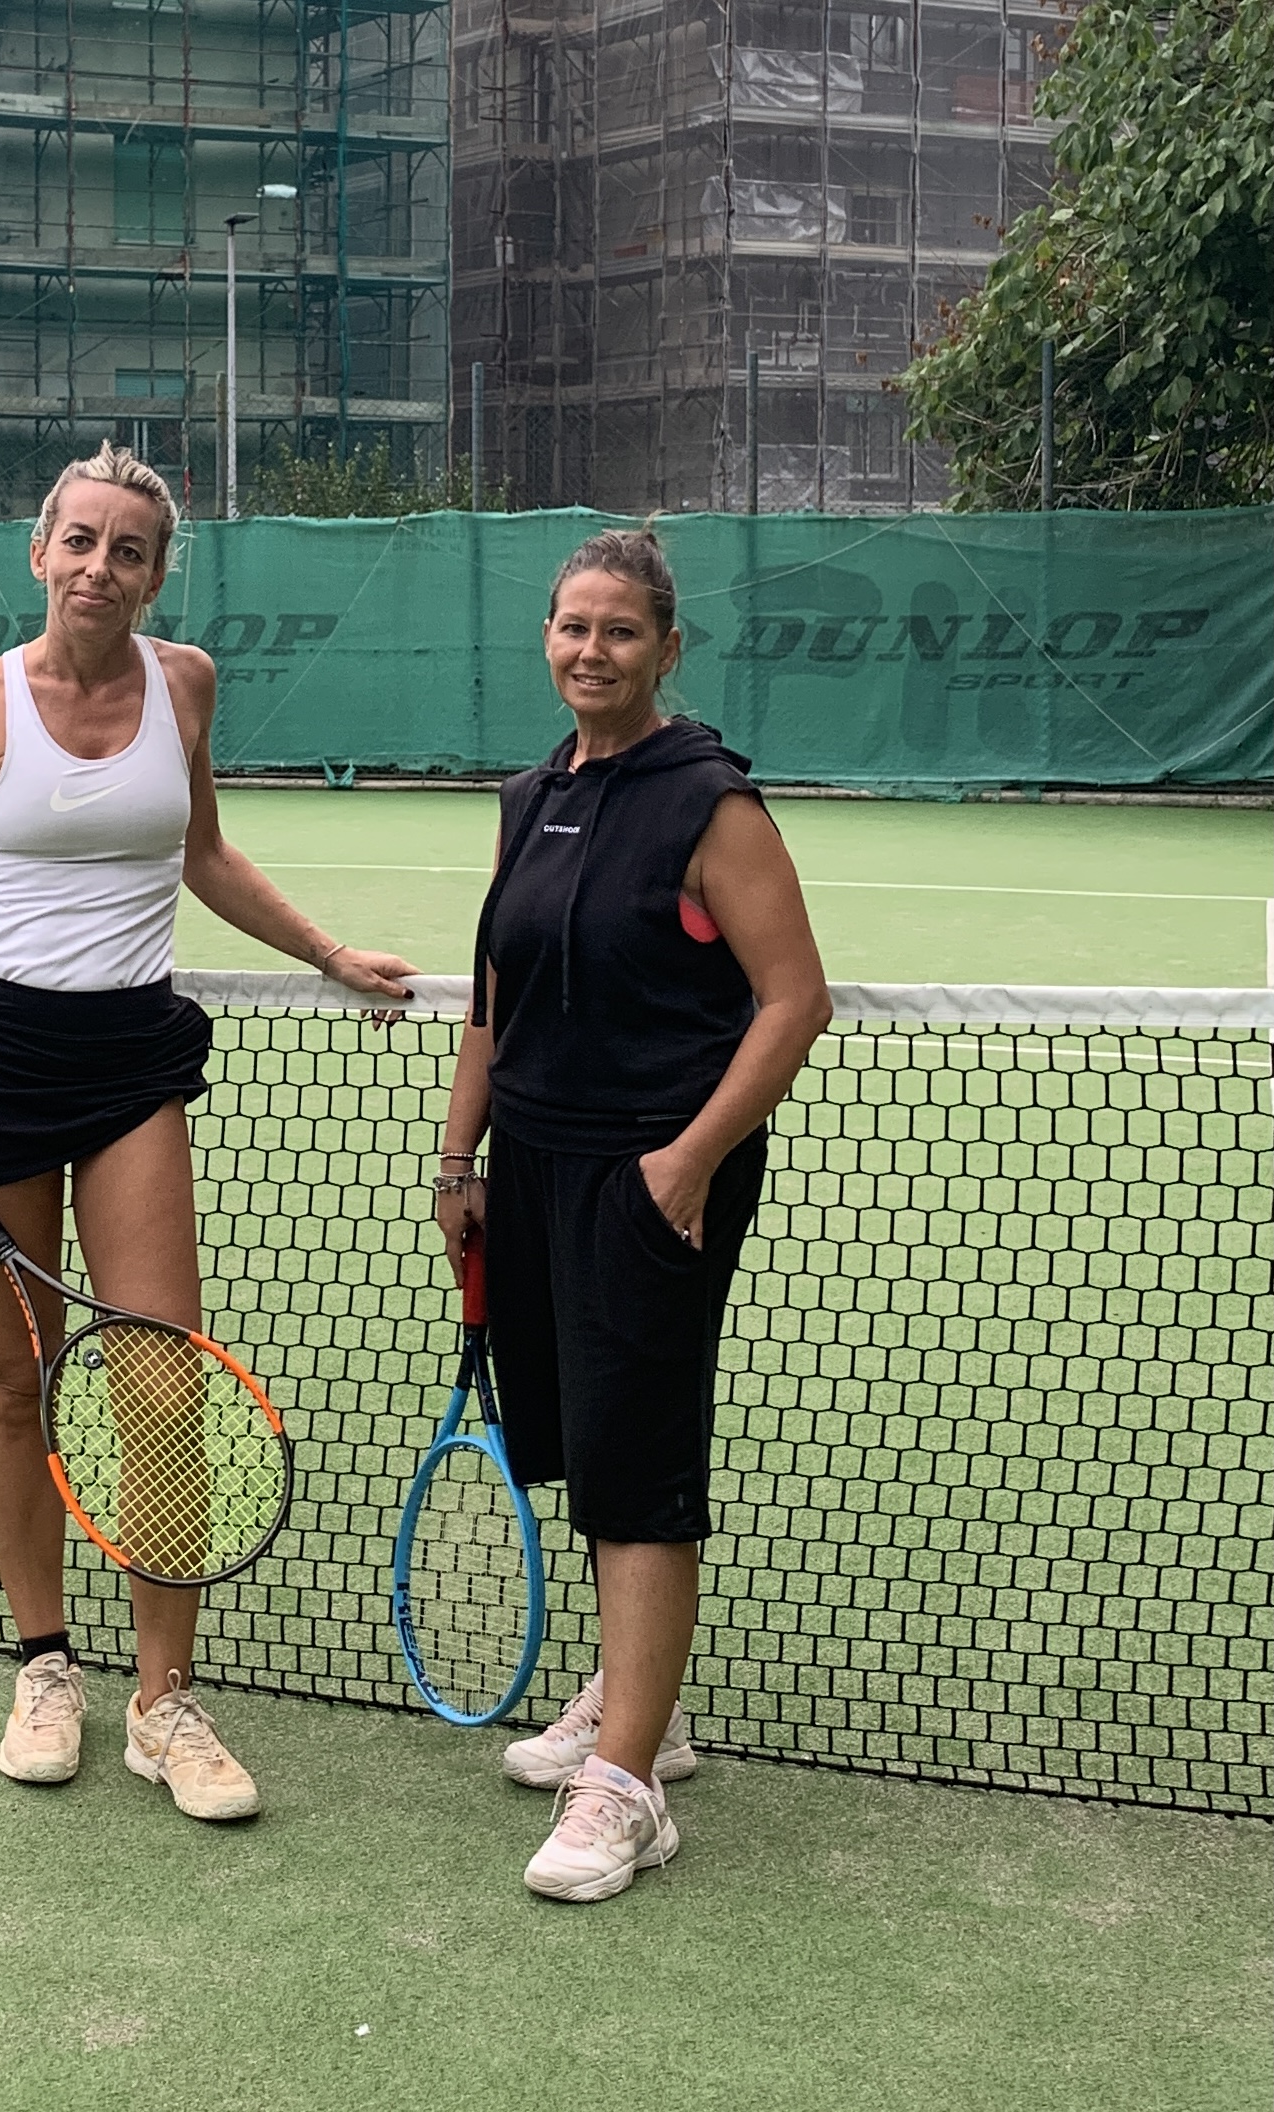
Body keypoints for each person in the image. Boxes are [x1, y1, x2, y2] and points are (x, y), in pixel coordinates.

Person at [0, 441, 415, 1823]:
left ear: (158, 572)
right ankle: (44, 1666)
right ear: (40, 551)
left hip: (132, 1065)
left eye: (129, 550)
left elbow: (203, 853)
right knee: (15, 1380)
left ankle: (164, 1700)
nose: (99, 568)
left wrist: (325, 951)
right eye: (80, 541)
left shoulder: (186, 685)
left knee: (164, 1385)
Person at [434, 526, 830, 1902]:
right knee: (583, 1442)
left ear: (667, 646)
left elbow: (795, 1002)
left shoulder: (711, 804)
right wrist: (461, 1159)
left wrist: (688, 1162)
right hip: (534, 1169)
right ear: (546, 638)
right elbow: (493, 998)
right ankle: (632, 1698)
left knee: (637, 1462)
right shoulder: (528, 794)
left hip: (654, 1176)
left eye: (618, 630)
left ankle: (628, 1790)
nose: (590, 650)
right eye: (571, 626)